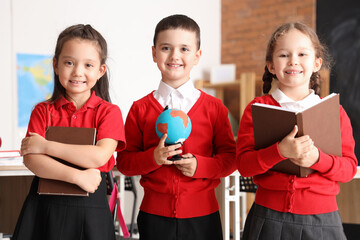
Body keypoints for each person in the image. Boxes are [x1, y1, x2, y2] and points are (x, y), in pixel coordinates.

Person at [116, 14, 236, 240]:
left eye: (184, 49)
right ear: (154, 53)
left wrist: (200, 166)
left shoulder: (214, 108)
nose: (174, 56)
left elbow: (230, 158)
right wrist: (153, 158)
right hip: (154, 217)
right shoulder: (139, 109)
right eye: (165, 48)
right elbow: (123, 162)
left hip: (204, 217)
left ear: (197, 56)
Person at [236, 22, 358, 240]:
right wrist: (280, 151)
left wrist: (316, 159)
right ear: (271, 66)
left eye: (302, 54)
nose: (293, 61)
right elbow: (244, 166)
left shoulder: (335, 112)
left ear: (317, 63)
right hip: (268, 217)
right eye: (284, 55)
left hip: (323, 220)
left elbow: (348, 169)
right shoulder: (257, 109)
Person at [12, 24, 125, 240]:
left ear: (101, 70)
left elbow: (99, 155)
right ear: (55, 65)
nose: (77, 72)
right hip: (44, 207)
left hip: (90, 208)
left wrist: (45, 146)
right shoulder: (42, 110)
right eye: (69, 62)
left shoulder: (109, 112)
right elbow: (33, 161)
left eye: (88, 65)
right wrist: (78, 176)